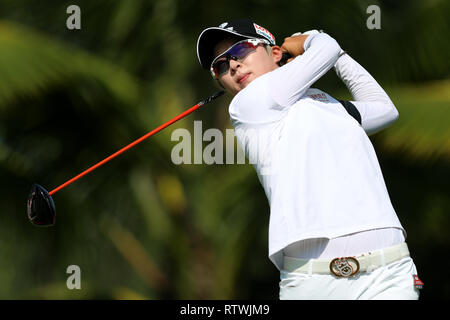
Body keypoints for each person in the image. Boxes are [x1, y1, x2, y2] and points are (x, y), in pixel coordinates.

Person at [196, 19, 423, 299]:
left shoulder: (327, 105)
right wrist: (313, 38)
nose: (232, 66)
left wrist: (339, 56)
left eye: (240, 50)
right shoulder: (248, 104)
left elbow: (384, 109)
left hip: (388, 274)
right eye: (220, 65)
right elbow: (325, 48)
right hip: (312, 283)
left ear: (275, 53)